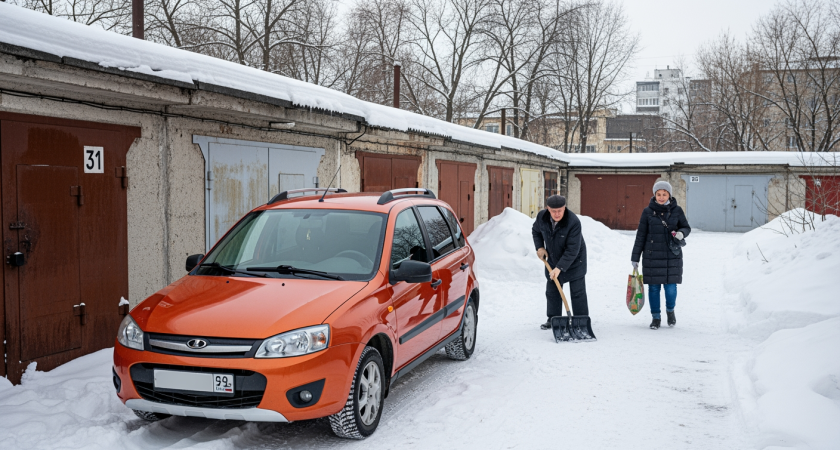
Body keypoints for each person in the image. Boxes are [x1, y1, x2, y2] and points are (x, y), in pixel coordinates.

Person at [630, 181, 691, 330]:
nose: (661, 197)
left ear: (669, 195)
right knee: (654, 288)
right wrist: (635, 257)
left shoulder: (677, 210)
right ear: (654, 195)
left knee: (671, 288)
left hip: (672, 255)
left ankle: (670, 311)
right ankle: (655, 317)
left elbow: (686, 227)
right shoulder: (647, 212)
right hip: (652, 256)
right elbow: (641, 235)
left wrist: (681, 233)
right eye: (659, 194)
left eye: (664, 194)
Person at [531, 195, 589, 330]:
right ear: (548, 209)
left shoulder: (573, 222)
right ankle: (553, 319)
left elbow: (572, 250)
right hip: (553, 258)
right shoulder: (542, 218)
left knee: (577, 292)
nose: (557, 214)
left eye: (560, 211)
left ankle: (581, 320)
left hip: (575, 260)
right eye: (553, 211)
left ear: (564, 208)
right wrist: (539, 247)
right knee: (552, 290)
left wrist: (559, 268)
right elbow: (536, 231)